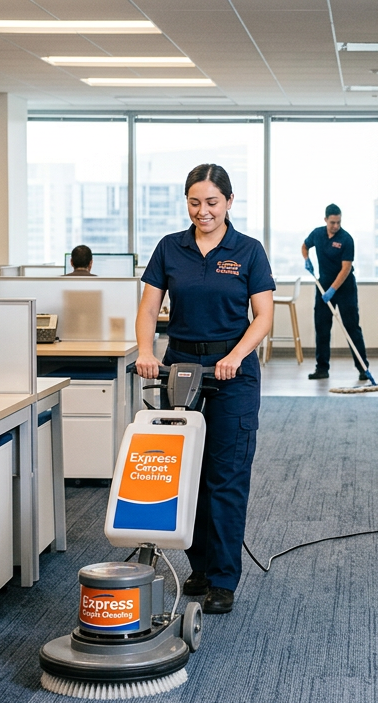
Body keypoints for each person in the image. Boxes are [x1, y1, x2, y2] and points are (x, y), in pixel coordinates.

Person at [134, 164, 275, 615]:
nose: (203, 211)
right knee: (185, 475)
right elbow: (149, 306)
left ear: (229, 202)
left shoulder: (248, 251)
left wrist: (235, 355)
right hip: (180, 367)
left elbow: (264, 317)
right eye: (194, 202)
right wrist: (145, 350)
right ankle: (199, 565)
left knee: (225, 476)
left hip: (232, 372)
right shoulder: (170, 248)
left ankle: (223, 578)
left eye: (212, 202)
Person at [301, 204, 369, 381]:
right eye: (332, 222)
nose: (336, 226)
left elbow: (346, 269)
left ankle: (363, 368)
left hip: (345, 288)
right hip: (323, 286)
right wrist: (307, 260)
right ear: (325, 220)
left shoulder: (346, 239)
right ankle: (322, 368)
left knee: (352, 327)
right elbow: (304, 246)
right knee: (322, 328)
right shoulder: (317, 234)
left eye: (338, 222)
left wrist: (333, 289)